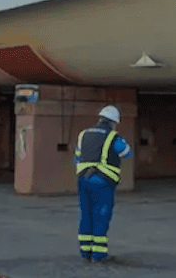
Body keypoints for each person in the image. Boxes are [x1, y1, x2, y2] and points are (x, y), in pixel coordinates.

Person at [75, 104, 132, 262]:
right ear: (114, 122)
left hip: (83, 179)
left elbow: (77, 156)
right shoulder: (113, 137)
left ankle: (85, 251)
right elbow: (127, 153)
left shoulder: (83, 134)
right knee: (101, 215)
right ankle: (99, 254)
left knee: (86, 214)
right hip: (102, 181)